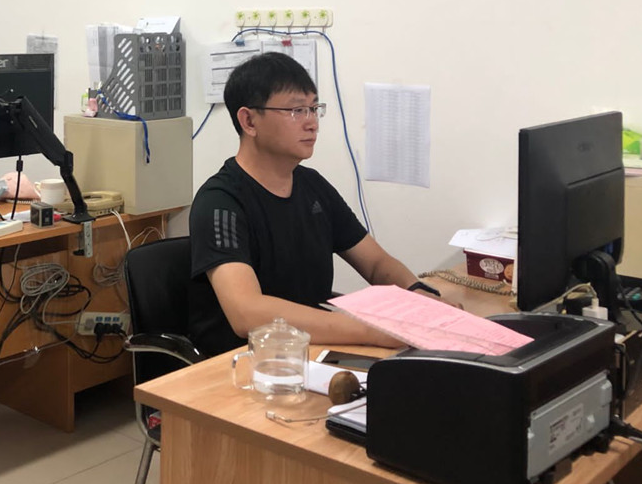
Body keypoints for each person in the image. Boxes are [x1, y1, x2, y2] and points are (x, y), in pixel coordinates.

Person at [189, 52, 449, 356]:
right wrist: (370, 331)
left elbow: (376, 263)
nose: (312, 123)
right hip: (244, 362)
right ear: (249, 121)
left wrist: (418, 295)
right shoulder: (220, 202)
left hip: (311, 350)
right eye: (296, 110)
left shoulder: (312, 186)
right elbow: (247, 313)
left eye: (314, 108)